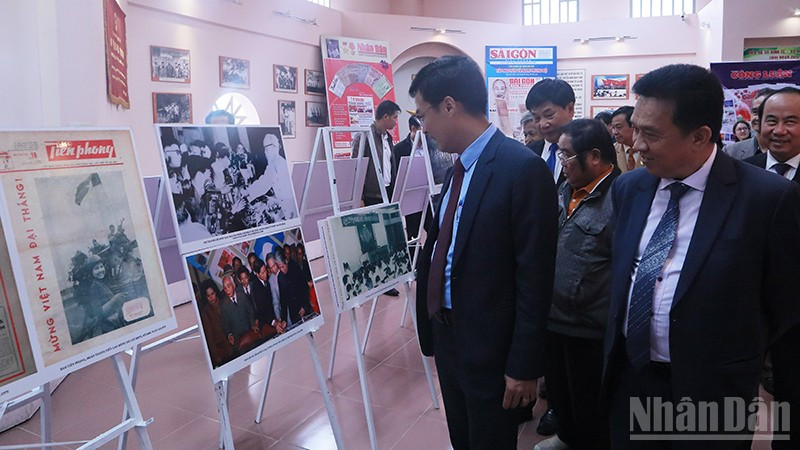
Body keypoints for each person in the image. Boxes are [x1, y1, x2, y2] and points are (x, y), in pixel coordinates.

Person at [603, 64, 800, 448]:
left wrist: (732, 349)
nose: (636, 145)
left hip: (713, 390)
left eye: (650, 134)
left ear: (700, 136)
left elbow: (785, 300)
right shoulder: (629, 188)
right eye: (636, 129)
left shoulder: (766, 198)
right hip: (631, 379)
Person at [411, 55, 558, 449]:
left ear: (448, 105)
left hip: (492, 345)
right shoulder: (456, 170)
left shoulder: (522, 170)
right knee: (462, 435)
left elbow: (535, 278)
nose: (423, 127)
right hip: (449, 333)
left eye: (423, 115)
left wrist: (524, 365)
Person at [535, 119, 619, 450]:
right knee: (560, 391)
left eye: (566, 155)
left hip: (589, 326)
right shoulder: (565, 190)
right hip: (553, 316)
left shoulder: (620, 197)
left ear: (594, 157)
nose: (562, 163)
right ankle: (567, 438)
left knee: (589, 401)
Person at [526, 78, 575, 186]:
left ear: (570, 109)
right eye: (536, 118)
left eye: (549, 115)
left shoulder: (585, 150)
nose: (543, 124)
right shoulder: (528, 152)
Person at [352, 100, 401, 205]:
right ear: (386, 117)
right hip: (371, 195)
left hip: (388, 191)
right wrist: (359, 197)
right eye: (395, 117)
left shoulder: (388, 138)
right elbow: (356, 169)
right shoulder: (364, 137)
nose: (396, 122)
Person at [723, 87, 775, 160]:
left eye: (765, 111)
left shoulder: (791, 151)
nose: (758, 117)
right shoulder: (730, 152)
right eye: (755, 112)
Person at [199, 280, 234, 367]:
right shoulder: (205, 312)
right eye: (208, 296)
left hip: (234, 339)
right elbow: (209, 337)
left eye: (212, 294)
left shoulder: (225, 302)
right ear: (205, 297)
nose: (211, 297)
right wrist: (215, 356)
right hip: (221, 347)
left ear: (216, 292)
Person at [610, 106, 643, 173]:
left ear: (634, 126)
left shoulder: (649, 148)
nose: (615, 132)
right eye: (613, 128)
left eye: (619, 127)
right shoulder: (612, 150)